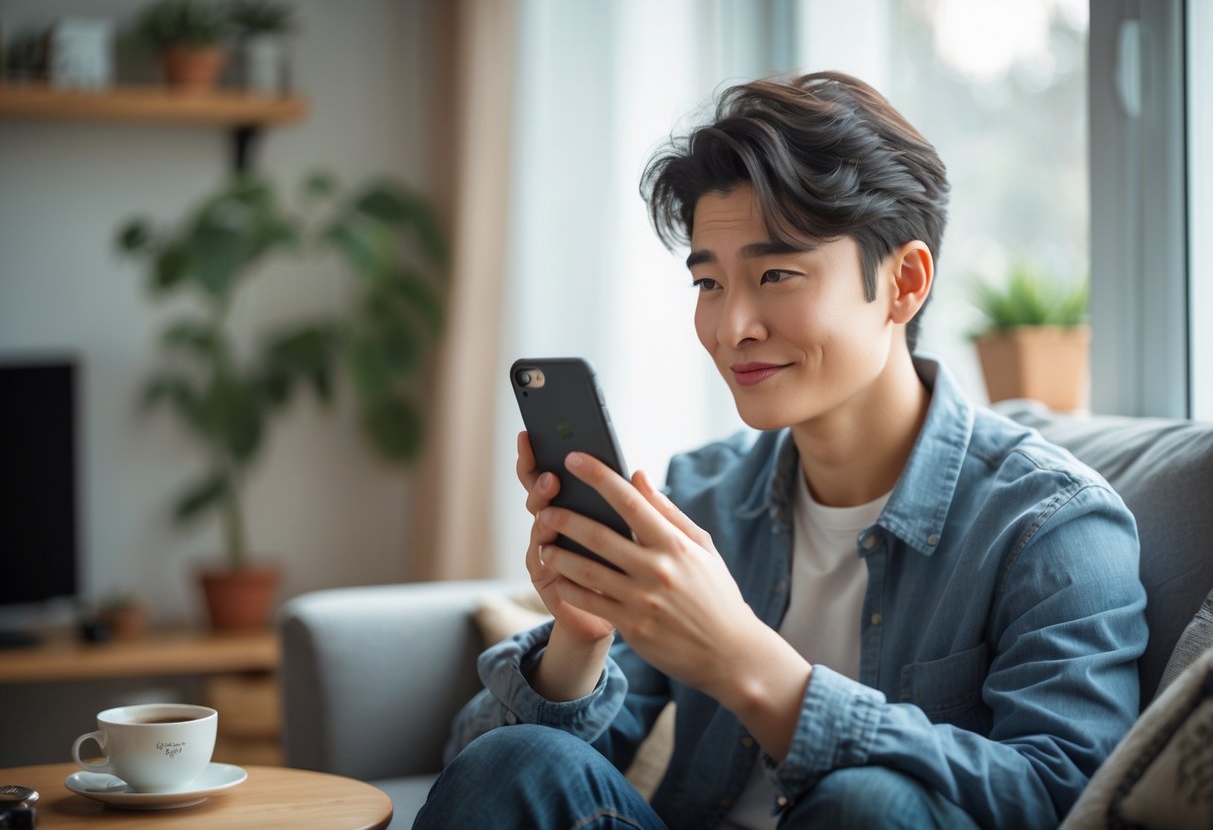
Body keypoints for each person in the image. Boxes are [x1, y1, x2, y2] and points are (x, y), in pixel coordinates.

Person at [414, 71, 1147, 829]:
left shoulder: (1050, 525)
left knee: (869, 806)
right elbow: (477, 772)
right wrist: (580, 632)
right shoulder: (703, 494)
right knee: (516, 763)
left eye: (775, 275)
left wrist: (748, 665)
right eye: (708, 283)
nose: (732, 328)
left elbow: (1070, 798)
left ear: (904, 282)